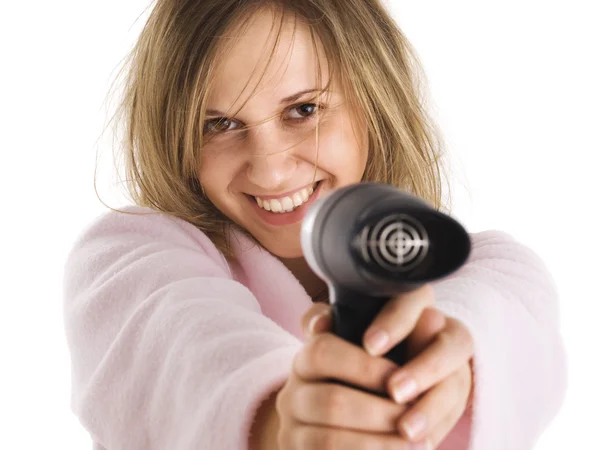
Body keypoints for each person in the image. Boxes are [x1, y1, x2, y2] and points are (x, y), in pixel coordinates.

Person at [62, 1, 567, 449]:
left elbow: (499, 315)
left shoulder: (497, 273)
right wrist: (283, 423)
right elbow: (181, 348)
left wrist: (441, 365)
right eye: (220, 125)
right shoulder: (126, 261)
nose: (271, 170)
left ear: (375, 102)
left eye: (303, 110)